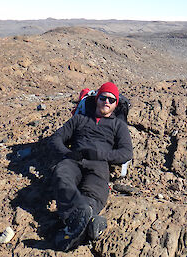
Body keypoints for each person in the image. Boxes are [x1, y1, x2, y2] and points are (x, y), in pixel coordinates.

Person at [49, 82, 133, 251]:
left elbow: (126, 153)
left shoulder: (118, 126)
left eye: (111, 99)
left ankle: (73, 228)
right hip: (74, 160)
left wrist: (101, 156)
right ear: (97, 99)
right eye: (103, 98)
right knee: (62, 176)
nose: (107, 102)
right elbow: (56, 138)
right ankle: (90, 224)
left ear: (116, 104)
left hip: (99, 164)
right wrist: (68, 154)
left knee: (94, 192)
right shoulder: (79, 119)